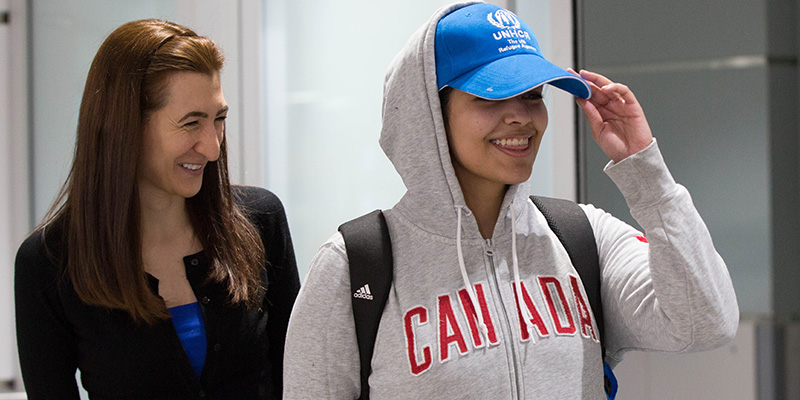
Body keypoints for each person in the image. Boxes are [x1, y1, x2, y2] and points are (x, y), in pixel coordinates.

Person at [283, 2, 738, 399]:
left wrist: (645, 171)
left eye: (533, 95)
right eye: (491, 94)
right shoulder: (355, 266)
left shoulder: (581, 239)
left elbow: (705, 322)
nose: (521, 116)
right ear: (430, 112)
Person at [14, 19, 300, 399]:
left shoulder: (261, 220)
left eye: (218, 120)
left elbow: (301, 379)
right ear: (124, 128)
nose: (213, 148)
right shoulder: (49, 263)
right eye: (190, 123)